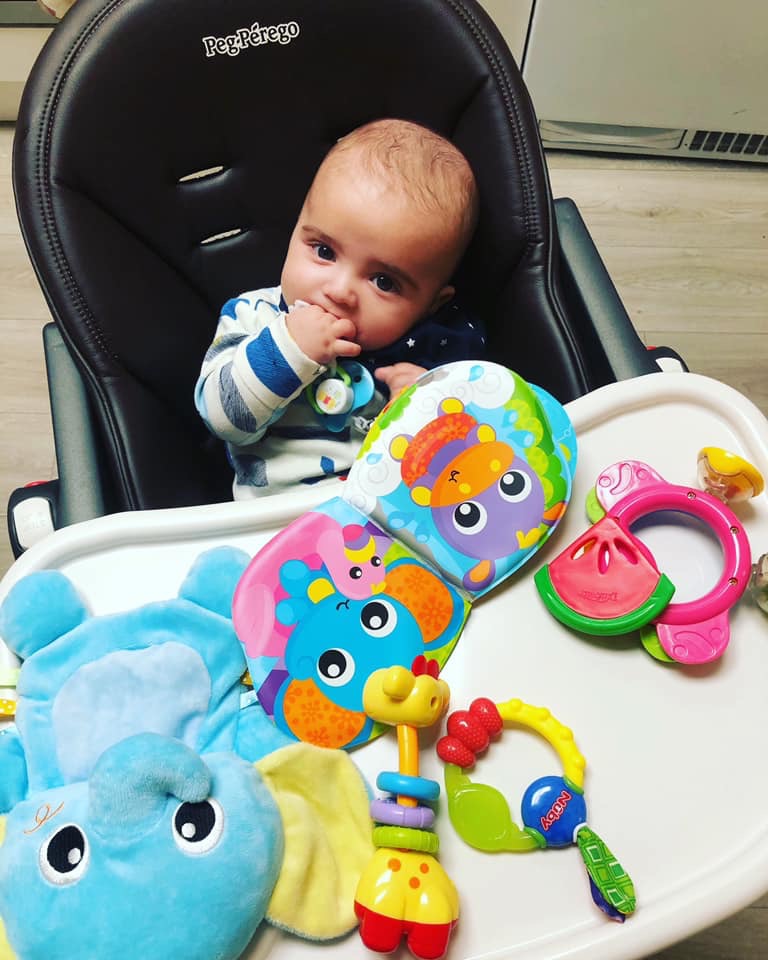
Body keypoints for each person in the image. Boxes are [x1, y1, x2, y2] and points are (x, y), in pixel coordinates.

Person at [195, 118, 484, 499]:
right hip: (278, 521)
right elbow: (222, 419)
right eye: (324, 251)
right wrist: (287, 349)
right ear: (296, 230)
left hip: (390, 517)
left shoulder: (437, 348)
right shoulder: (255, 316)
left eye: (384, 282)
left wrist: (428, 408)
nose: (340, 291)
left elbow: (474, 452)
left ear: (431, 304)